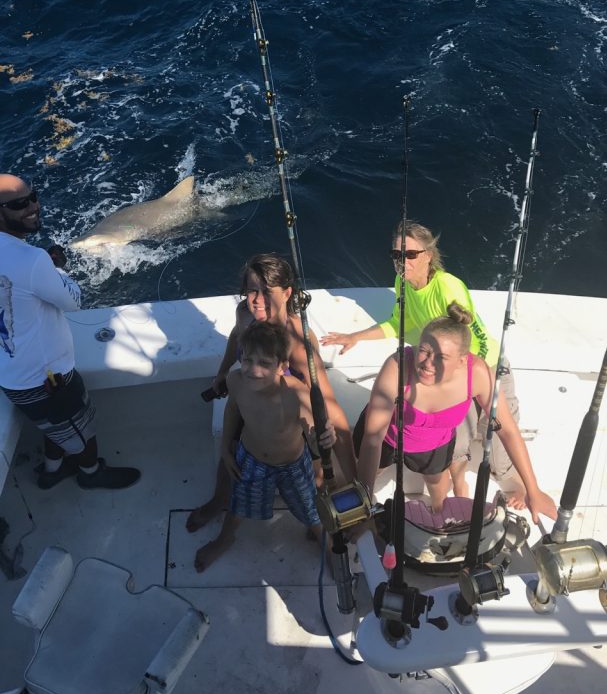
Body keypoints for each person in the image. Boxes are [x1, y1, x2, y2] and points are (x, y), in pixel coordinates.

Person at [0, 174, 140, 490]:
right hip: (47, 381)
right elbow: (73, 301)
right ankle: (91, 474)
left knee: (56, 427)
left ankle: (52, 470)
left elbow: (8, 289)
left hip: (10, 371)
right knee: (81, 430)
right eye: (19, 204)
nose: (32, 207)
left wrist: (43, 270)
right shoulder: (33, 260)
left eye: (32, 197)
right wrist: (58, 268)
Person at [321, 220, 518, 495]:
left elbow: (477, 339)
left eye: (410, 254)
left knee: (490, 436)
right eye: (397, 255)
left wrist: (467, 387)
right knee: (454, 441)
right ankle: (458, 487)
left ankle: (510, 483)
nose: (402, 261)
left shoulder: (448, 287)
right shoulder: (402, 282)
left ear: (428, 255)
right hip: (438, 368)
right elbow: (397, 322)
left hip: (482, 365)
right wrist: (356, 337)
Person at [186, 253, 354, 533]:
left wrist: (338, 444)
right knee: (231, 456)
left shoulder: (298, 342)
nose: (257, 299)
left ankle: (322, 518)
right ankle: (220, 500)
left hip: (289, 414)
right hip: (251, 397)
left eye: (267, 292)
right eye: (252, 290)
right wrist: (223, 371)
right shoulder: (245, 314)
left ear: (287, 293)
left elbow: (325, 399)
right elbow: (235, 338)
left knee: (314, 479)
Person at [355, 303, 557, 523]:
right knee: (369, 474)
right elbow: (373, 439)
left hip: (433, 445)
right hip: (388, 437)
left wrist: (533, 490)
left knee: (436, 486)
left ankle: (439, 512)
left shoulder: (478, 375)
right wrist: (363, 504)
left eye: (441, 357)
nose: (428, 363)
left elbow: (507, 430)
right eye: (424, 350)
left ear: (462, 361)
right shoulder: (398, 366)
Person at [193, 321, 336, 572]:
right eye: (247, 360)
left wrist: (322, 438)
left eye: (264, 363)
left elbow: (311, 426)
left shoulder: (296, 393)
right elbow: (233, 410)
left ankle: (328, 546)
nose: (253, 370)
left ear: (283, 367)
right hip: (252, 459)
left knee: (312, 510)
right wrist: (226, 449)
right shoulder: (236, 381)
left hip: (293, 466)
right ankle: (225, 538)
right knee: (239, 503)